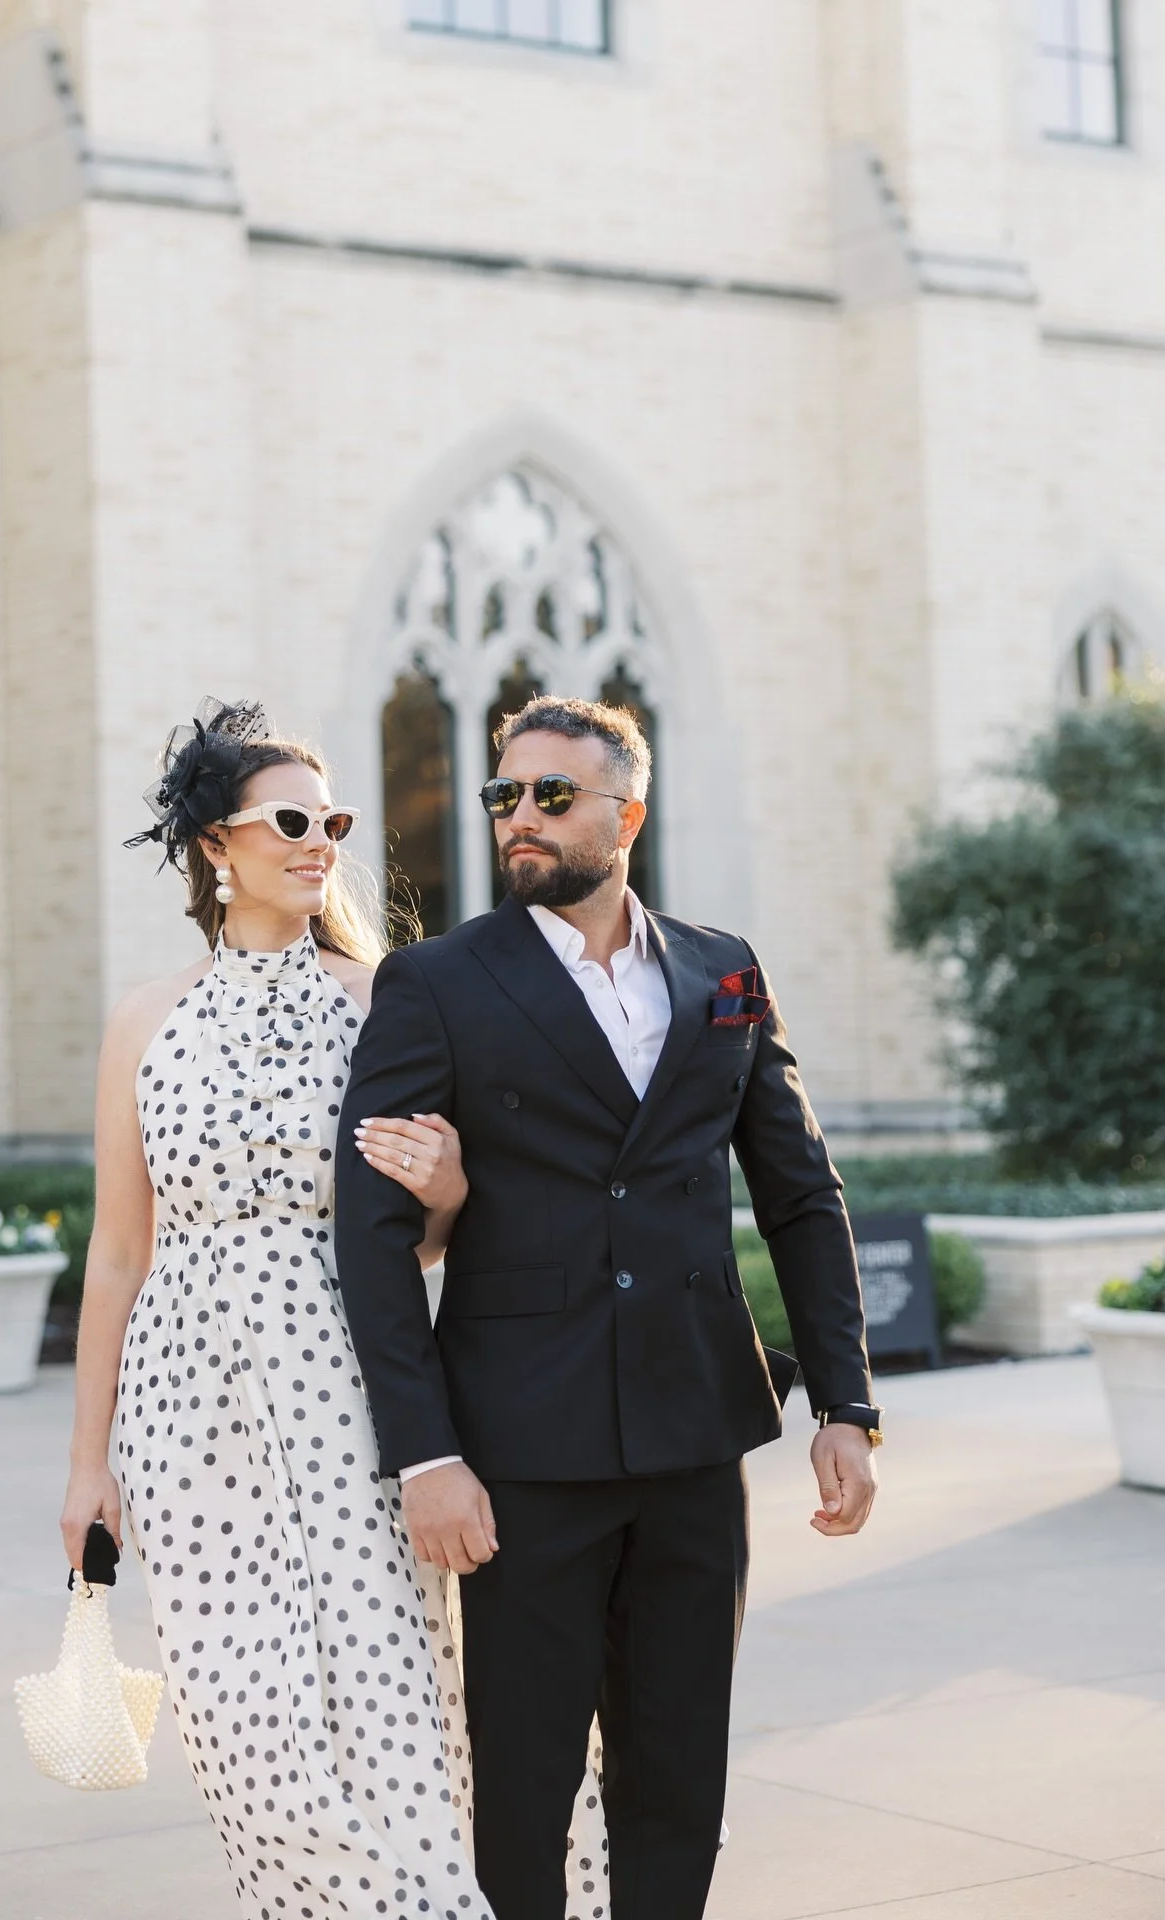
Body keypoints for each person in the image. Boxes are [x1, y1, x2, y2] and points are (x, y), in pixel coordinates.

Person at [335, 695, 881, 1920]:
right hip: (522, 1453)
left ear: (626, 814)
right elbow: (370, 1238)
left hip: (696, 1436)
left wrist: (846, 1402)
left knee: (679, 1778)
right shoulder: (434, 982)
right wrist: (424, 1451)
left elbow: (799, 1194)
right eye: (503, 795)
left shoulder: (725, 971)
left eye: (551, 796)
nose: (517, 817)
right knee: (523, 1795)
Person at [59, 697, 492, 1920]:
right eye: (293, 819)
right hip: (184, 1412)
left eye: (334, 820)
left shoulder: (383, 1000)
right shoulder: (142, 1021)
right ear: (216, 846)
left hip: (354, 1388)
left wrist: (450, 1191)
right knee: (244, 1725)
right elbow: (115, 1256)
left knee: (390, 1698)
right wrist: (89, 1465)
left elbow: (433, 1226)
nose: (323, 842)